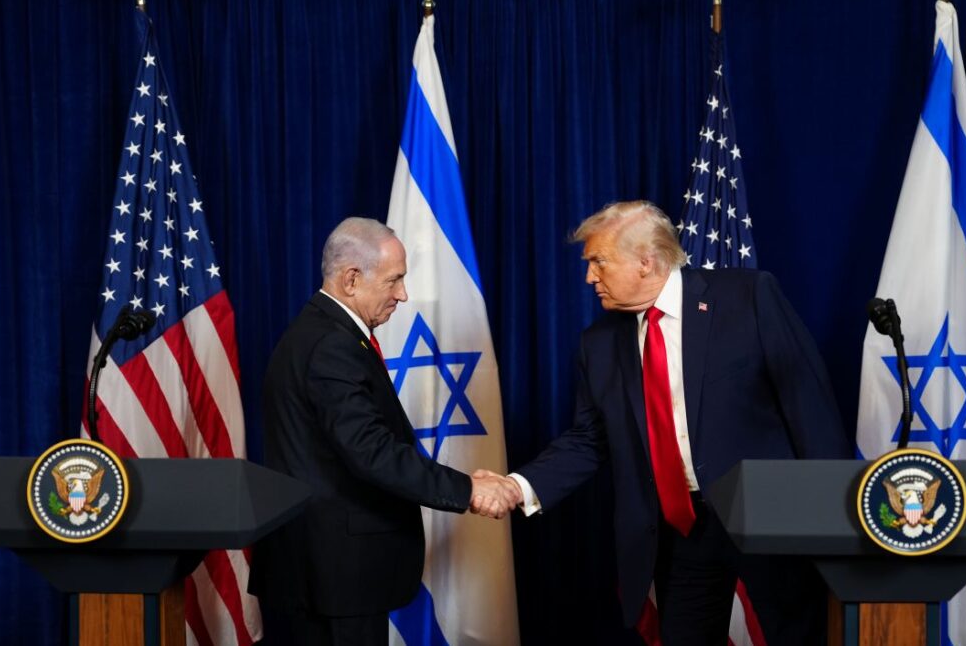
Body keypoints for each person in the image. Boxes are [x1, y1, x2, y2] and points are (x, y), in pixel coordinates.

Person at [485, 200, 852, 645]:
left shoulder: (748, 298)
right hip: (679, 532)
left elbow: (808, 407)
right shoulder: (598, 344)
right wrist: (517, 486)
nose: (589, 277)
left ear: (646, 261)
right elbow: (588, 440)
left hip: (770, 519)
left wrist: (831, 516)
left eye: (599, 261)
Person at [249, 217, 516, 646]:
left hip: (324, 571)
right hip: (333, 576)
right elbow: (371, 452)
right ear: (351, 279)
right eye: (395, 280)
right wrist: (467, 489)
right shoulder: (331, 345)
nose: (403, 294)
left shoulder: (320, 334)